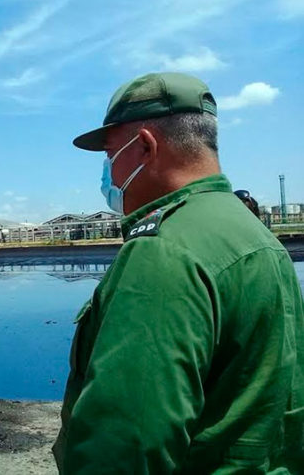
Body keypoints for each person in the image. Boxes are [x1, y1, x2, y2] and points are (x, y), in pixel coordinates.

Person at [53, 72, 304, 473]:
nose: (109, 173)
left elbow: (124, 446)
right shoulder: (258, 237)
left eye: (110, 154)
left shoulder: (162, 252)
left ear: (146, 147)